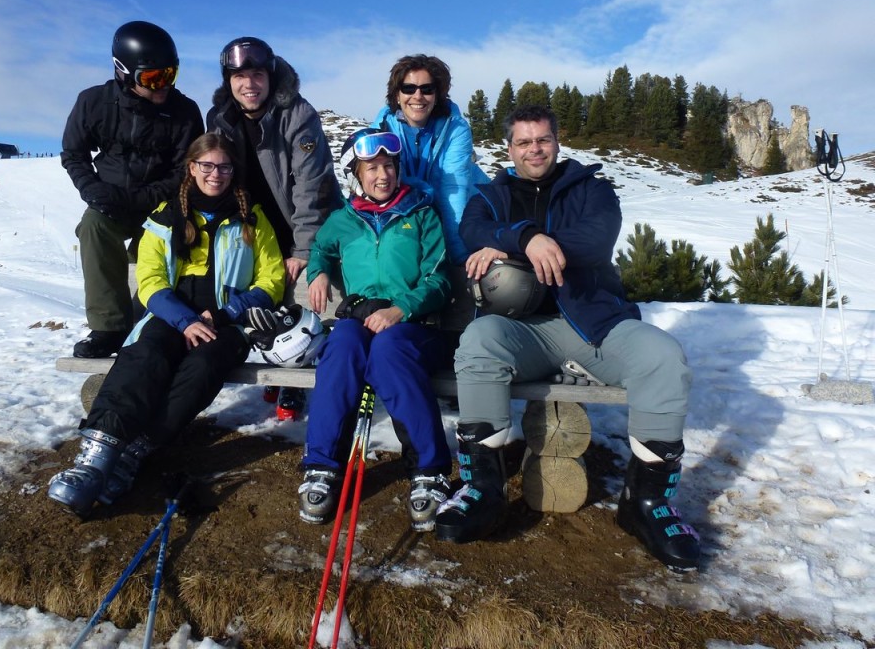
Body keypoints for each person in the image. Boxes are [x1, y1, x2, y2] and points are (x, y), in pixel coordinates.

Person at [434, 105, 701, 572]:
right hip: (522, 332)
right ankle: (483, 487)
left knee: (662, 356)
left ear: (556, 142)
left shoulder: (592, 189)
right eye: (524, 141)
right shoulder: (488, 196)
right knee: (479, 341)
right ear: (510, 148)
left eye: (543, 140)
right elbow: (471, 230)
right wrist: (521, 235)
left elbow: (595, 241)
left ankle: (646, 503)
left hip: (592, 327)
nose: (534, 149)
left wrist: (523, 242)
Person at [48, 132, 285, 515]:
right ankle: (94, 458)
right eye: (207, 165)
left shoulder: (252, 219)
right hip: (170, 313)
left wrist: (224, 314)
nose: (216, 174)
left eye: (223, 167)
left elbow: (270, 281)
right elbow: (151, 279)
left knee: (204, 366)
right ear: (192, 168)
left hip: (227, 322)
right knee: (148, 355)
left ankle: (134, 452)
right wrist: (185, 320)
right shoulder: (164, 215)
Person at [298, 128, 453, 531]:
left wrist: (401, 309)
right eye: (371, 168)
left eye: (388, 166)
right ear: (356, 174)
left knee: (389, 351)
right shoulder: (343, 220)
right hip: (360, 319)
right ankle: (322, 465)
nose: (382, 175)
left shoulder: (421, 215)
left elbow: (439, 280)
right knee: (343, 345)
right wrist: (317, 273)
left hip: (415, 328)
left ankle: (428, 470)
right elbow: (321, 249)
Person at [208, 37, 340, 420]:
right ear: (229, 81)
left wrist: (302, 249)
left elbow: (311, 188)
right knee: (257, 295)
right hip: (255, 226)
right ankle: (276, 363)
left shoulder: (298, 114)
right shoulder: (219, 118)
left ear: (271, 77)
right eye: (239, 76)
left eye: (257, 74)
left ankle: (292, 378)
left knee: (292, 294)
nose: (249, 84)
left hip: (300, 223)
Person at [62, 20, 205, 359]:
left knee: (164, 247)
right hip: (109, 201)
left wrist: (147, 198)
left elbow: (184, 169)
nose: (163, 87)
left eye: (169, 75)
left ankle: (147, 321)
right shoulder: (94, 102)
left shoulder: (184, 112)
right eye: (152, 78)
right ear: (123, 72)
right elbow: (74, 154)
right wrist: (92, 190)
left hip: (161, 204)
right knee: (94, 229)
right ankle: (108, 328)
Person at [371, 54, 489, 265]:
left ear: (437, 95)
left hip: (465, 211)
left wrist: (460, 259)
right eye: (409, 88)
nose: (418, 96)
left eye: (427, 89)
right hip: (420, 212)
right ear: (397, 95)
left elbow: (453, 190)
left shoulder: (456, 128)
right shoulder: (383, 129)